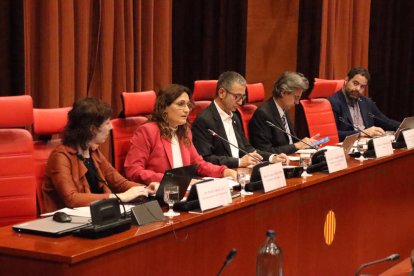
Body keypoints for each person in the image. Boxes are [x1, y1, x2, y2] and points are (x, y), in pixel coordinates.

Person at [41, 98, 156, 213]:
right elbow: (72, 199)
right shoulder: (60, 156)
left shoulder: (93, 151)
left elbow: (119, 183)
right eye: (107, 123)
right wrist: (119, 197)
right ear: (92, 129)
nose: (111, 127)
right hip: (68, 223)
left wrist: (145, 189)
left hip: (95, 216)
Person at [124, 84, 237, 185]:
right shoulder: (147, 132)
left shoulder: (184, 131)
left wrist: (223, 171)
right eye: (181, 104)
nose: (187, 110)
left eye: (188, 105)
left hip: (183, 190)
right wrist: (173, 180)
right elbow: (133, 171)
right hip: (159, 193)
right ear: (164, 108)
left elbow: (197, 164)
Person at [191, 71, 288, 168]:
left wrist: (272, 158)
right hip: (221, 176)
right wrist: (239, 162)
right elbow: (206, 158)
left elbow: (246, 148)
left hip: (240, 171)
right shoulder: (204, 121)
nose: (241, 102)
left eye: (243, 97)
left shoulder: (235, 117)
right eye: (237, 97)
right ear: (222, 93)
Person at [248, 71, 317, 155]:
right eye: (296, 97)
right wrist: (296, 146)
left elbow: (291, 141)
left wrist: (307, 144)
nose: (297, 102)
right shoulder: (263, 114)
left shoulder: (283, 110)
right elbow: (264, 152)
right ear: (283, 92)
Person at [328, 67, 400, 141]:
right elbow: (332, 135)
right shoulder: (333, 102)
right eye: (355, 83)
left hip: (367, 145)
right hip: (347, 147)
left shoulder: (366, 102)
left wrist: (404, 127)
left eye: (362, 86)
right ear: (346, 80)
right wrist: (361, 133)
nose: (358, 89)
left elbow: (385, 121)